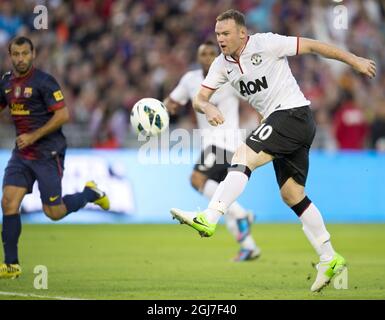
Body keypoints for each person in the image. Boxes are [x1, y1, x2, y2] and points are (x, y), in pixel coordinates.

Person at [171, 9, 376, 292]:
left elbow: (314, 46)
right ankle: (330, 257)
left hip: (293, 113)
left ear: (242, 33)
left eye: (226, 33)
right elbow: (199, 98)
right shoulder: (221, 65)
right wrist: (207, 106)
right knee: (292, 195)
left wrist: (353, 60)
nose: (220, 39)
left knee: (243, 156)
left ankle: (211, 216)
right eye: (218, 34)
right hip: (285, 123)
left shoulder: (266, 43)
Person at [0, 36, 110, 279]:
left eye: (25, 54)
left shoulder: (44, 82)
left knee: (54, 212)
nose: (20, 59)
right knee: (8, 202)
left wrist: (33, 135)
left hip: (48, 152)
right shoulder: (6, 83)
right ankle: (11, 264)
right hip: (22, 153)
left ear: (33, 54)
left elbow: (62, 116)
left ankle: (91, 193)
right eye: (16, 54)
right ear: (10, 55)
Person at [164, 41, 261, 261]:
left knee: (197, 179)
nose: (207, 57)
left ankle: (241, 213)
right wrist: (157, 112)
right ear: (198, 57)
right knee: (220, 195)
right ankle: (248, 246)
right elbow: (172, 102)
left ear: (217, 55)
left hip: (225, 142)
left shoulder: (230, 75)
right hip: (210, 143)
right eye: (203, 53)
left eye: (211, 53)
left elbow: (253, 97)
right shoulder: (190, 80)